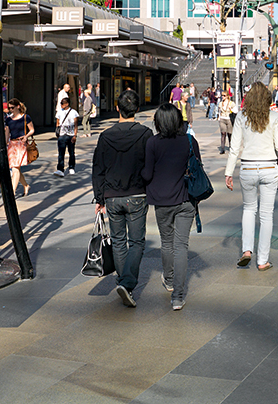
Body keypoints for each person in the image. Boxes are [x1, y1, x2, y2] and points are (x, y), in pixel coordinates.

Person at [93, 89, 153, 308]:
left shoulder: (105, 136)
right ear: (137, 109)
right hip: (137, 194)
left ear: (117, 108)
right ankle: (127, 284)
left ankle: (122, 281)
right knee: (136, 242)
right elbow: (151, 164)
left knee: (118, 241)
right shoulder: (145, 134)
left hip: (111, 196)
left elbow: (98, 168)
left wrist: (99, 197)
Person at [225, 82, 278, 271]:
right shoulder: (274, 116)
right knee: (266, 215)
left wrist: (228, 172)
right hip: (269, 167)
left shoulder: (241, 117)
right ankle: (263, 260)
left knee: (248, 209)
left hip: (247, 168)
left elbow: (234, 147)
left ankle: (247, 250)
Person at [143, 103, 199, 311]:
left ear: (158, 122)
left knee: (167, 242)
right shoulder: (189, 141)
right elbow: (197, 168)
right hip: (186, 199)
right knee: (181, 245)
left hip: (162, 200)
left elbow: (147, 174)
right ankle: (178, 296)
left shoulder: (152, 143)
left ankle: (168, 279)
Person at [5, 98, 35, 196]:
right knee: (15, 168)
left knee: (15, 169)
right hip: (12, 144)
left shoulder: (26, 117)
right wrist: (5, 144)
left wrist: (26, 137)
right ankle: (26, 185)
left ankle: (12, 192)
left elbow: (32, 130)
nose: (10, 110)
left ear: (18, 106)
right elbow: (7, 132)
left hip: (21, 144)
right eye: (9, 108)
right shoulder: (8, 119)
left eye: (12, 108)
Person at [54, 95, 80, 177]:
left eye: (63, 103)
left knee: (71, 152)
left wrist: (75, 135)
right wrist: (57, 133)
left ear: (67, 104)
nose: (61, 105)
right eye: (61, 103)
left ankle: (71, 167)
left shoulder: (74, 112)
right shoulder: (59, 112)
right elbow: (57, 123)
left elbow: (76, 125)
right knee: (61, 153)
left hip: (71, 134)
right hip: (62, 134)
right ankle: (60, 169)